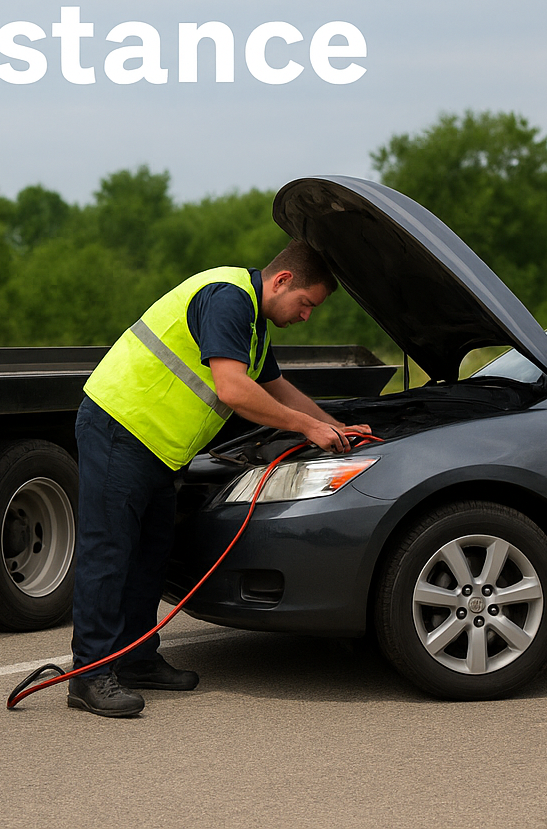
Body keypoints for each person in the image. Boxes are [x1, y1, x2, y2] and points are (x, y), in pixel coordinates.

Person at [67, 240, 371, 717]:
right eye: (306, 304)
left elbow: (276, 387)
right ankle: (89, 675)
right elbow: (233, 388)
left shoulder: (252, 322)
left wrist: (331, 424)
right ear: (283, 280)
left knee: (149, 555)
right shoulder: (228, 298)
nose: (306, 316)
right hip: (120, 429)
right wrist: (308, 427)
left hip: (158, 447)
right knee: (108, 553)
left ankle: (135, 659)